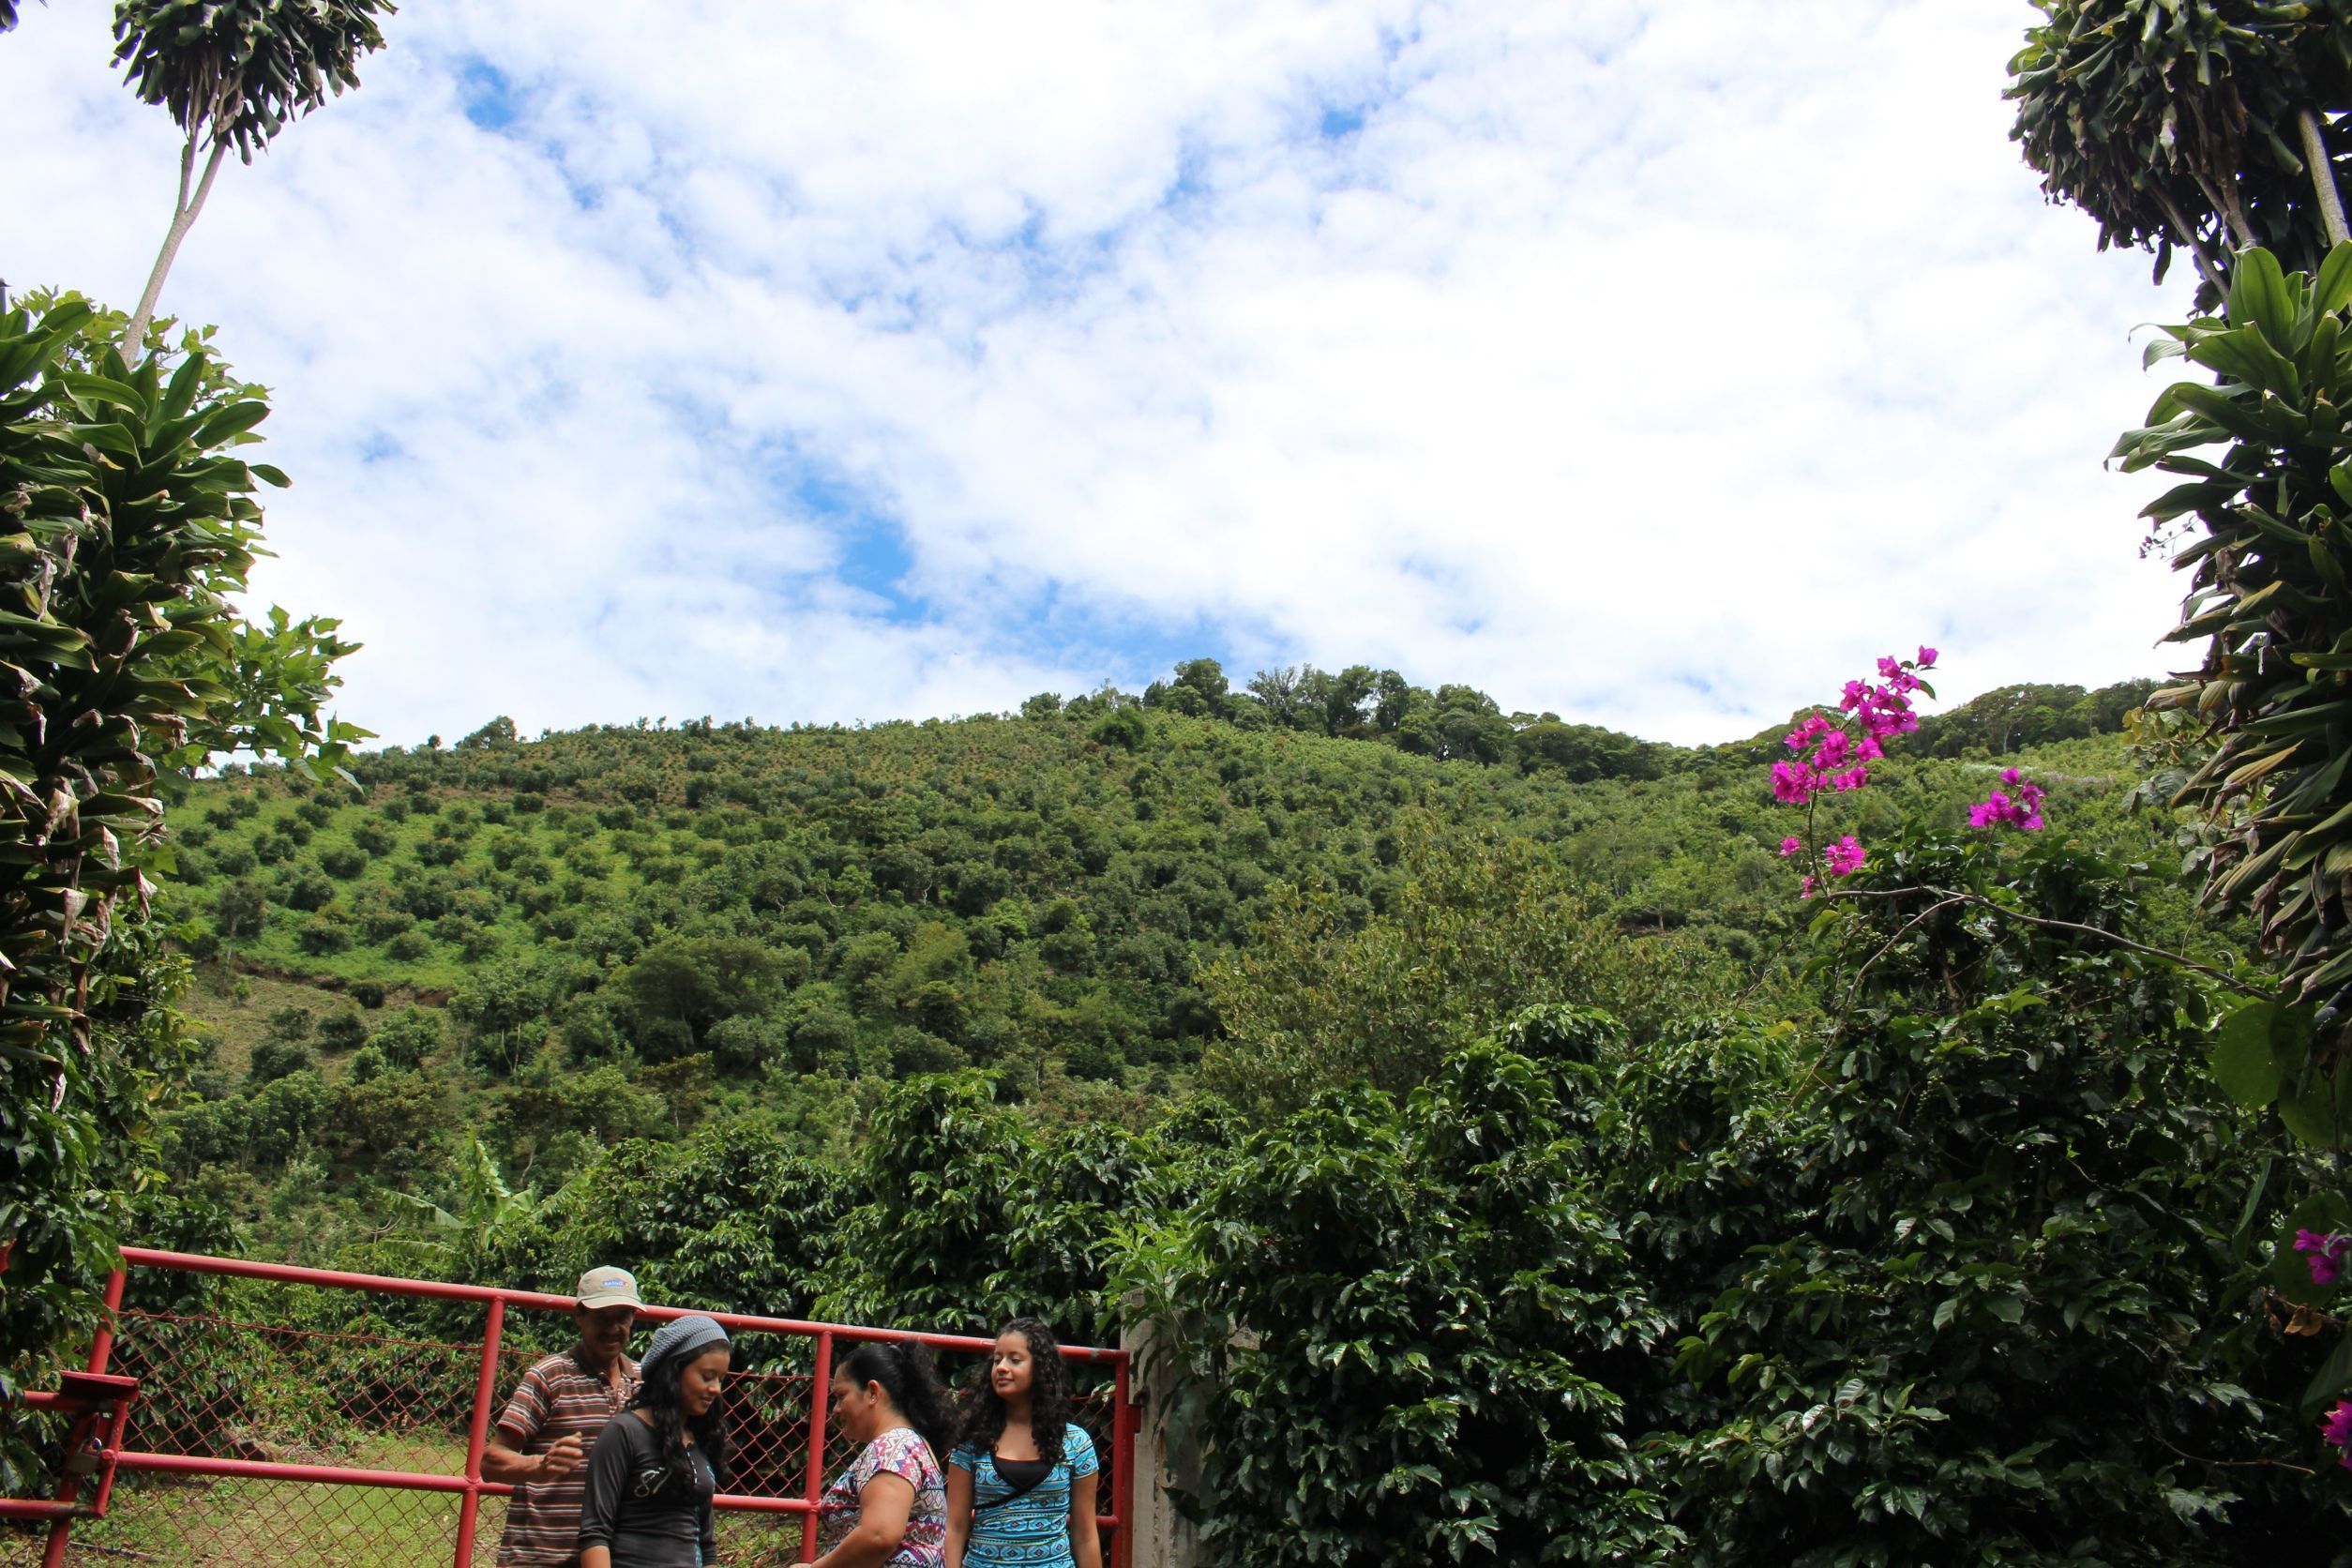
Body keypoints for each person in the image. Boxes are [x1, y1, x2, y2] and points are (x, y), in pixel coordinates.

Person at [488, 1265, 646, 1568]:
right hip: (541, 1557)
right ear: (579, 1316)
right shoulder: (550, 1376)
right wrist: (539, 1465)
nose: (613, 1328)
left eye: (623, 1317)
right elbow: (492, 1461)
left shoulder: (644, 1382)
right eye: (602, 1317)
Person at [579, 1314, 732, 1568]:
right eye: (707, 1376)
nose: (716, 1388)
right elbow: (595, 1532)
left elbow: (707, 1544)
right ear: (673, 1372)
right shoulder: (624, 1433)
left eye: (720, 1379)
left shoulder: (700, 1441)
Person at [943, 1319, 1100, 1568]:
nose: (1001, 1368)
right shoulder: (972, 1440)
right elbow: (954, 1527)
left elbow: (1085, 1535)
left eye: (1014, 1360)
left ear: (1041, 1369)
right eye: (997, 1360)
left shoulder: (1076, 1443)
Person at [812, 1340, 956, 1568]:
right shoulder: (911, 1443)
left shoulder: (892, 1448)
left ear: (872, 1392)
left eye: (841, 1396)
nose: (836, 1409)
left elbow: (879, 1535)